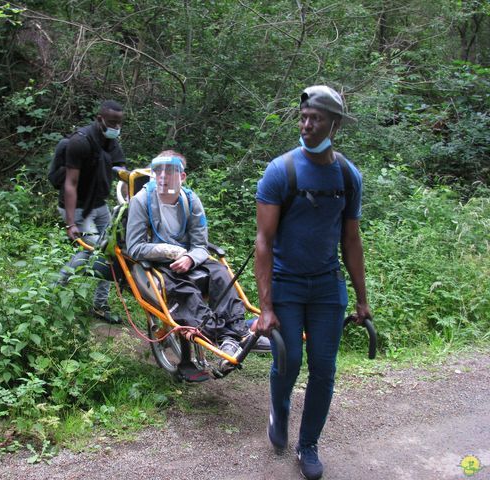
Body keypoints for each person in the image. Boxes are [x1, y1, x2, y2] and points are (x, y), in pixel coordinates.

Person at [254, 85, 372, 480]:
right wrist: (265, 306)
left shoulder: (347, 175)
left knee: (324, 369)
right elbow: (263, 242)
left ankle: (308, 446)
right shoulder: (280, 171)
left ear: (334, 125)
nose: (306, 125)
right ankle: (279, 413)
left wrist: (362, 299)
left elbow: (351, 240)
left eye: (316, 118)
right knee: (288, 363)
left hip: (326, 287)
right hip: (286, 284)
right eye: (303, 117)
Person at [126, 150, 270, 378]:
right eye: (159, 171)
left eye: (170, 171)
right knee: (184, 290)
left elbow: (201, 245)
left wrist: (190, 258)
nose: (163, 177)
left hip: (189, 258)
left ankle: (237, 332)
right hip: (157, 264)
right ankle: (222, 336)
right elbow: (134, 247)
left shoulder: (191, 201)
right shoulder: (141, 201)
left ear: (182, 177)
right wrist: (171, 252)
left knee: (221, 272)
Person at [56, 100, 126, 324]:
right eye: (112, 122)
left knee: (111, 250)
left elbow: (121, 169)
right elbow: (70, 183)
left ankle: (99, 305)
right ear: (99, 119)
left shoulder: (110, 141)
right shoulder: (80, 142)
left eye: (119, 123)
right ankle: (53, 290)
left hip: (99, 205)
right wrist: (70, 222)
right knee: (93, 251)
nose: (116, 127)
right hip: (77, 208)